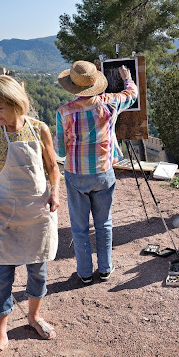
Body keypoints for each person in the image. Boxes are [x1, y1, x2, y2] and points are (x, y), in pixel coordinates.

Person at [0, 75, 61, 357]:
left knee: (38, 273)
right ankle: (0, 336)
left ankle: (34, 317)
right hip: (3, 215)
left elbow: (52, 167)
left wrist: (55, 191)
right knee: (1, 278)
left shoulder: (39, 129)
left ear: (16, 104)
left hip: (37, 214)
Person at [56, 61, 137, 285]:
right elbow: (132, 94)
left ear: (73, 86)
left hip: (76, 174)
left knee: (79, 227)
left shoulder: (64, 112)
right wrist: (127, 78)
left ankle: (84, 273)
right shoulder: (110, 102)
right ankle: (105, 269)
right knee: (104, 224)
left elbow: (60, 151)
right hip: (103, 172)